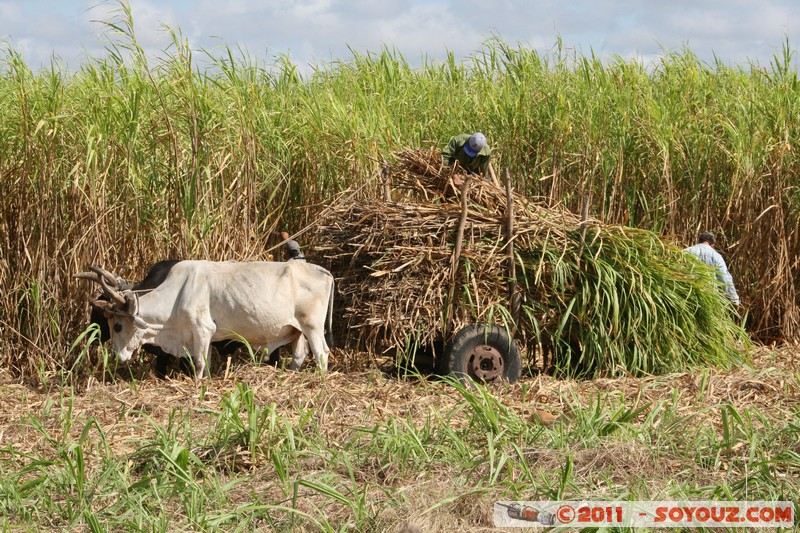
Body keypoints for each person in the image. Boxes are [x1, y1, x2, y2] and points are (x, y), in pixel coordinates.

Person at [684, 231, 740, 306]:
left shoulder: (685, 252)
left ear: (699, 241)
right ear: (713, 244)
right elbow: (725, 278)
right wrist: (734, 300)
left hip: (686, 296)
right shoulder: (716, 256)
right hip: (709, 298)